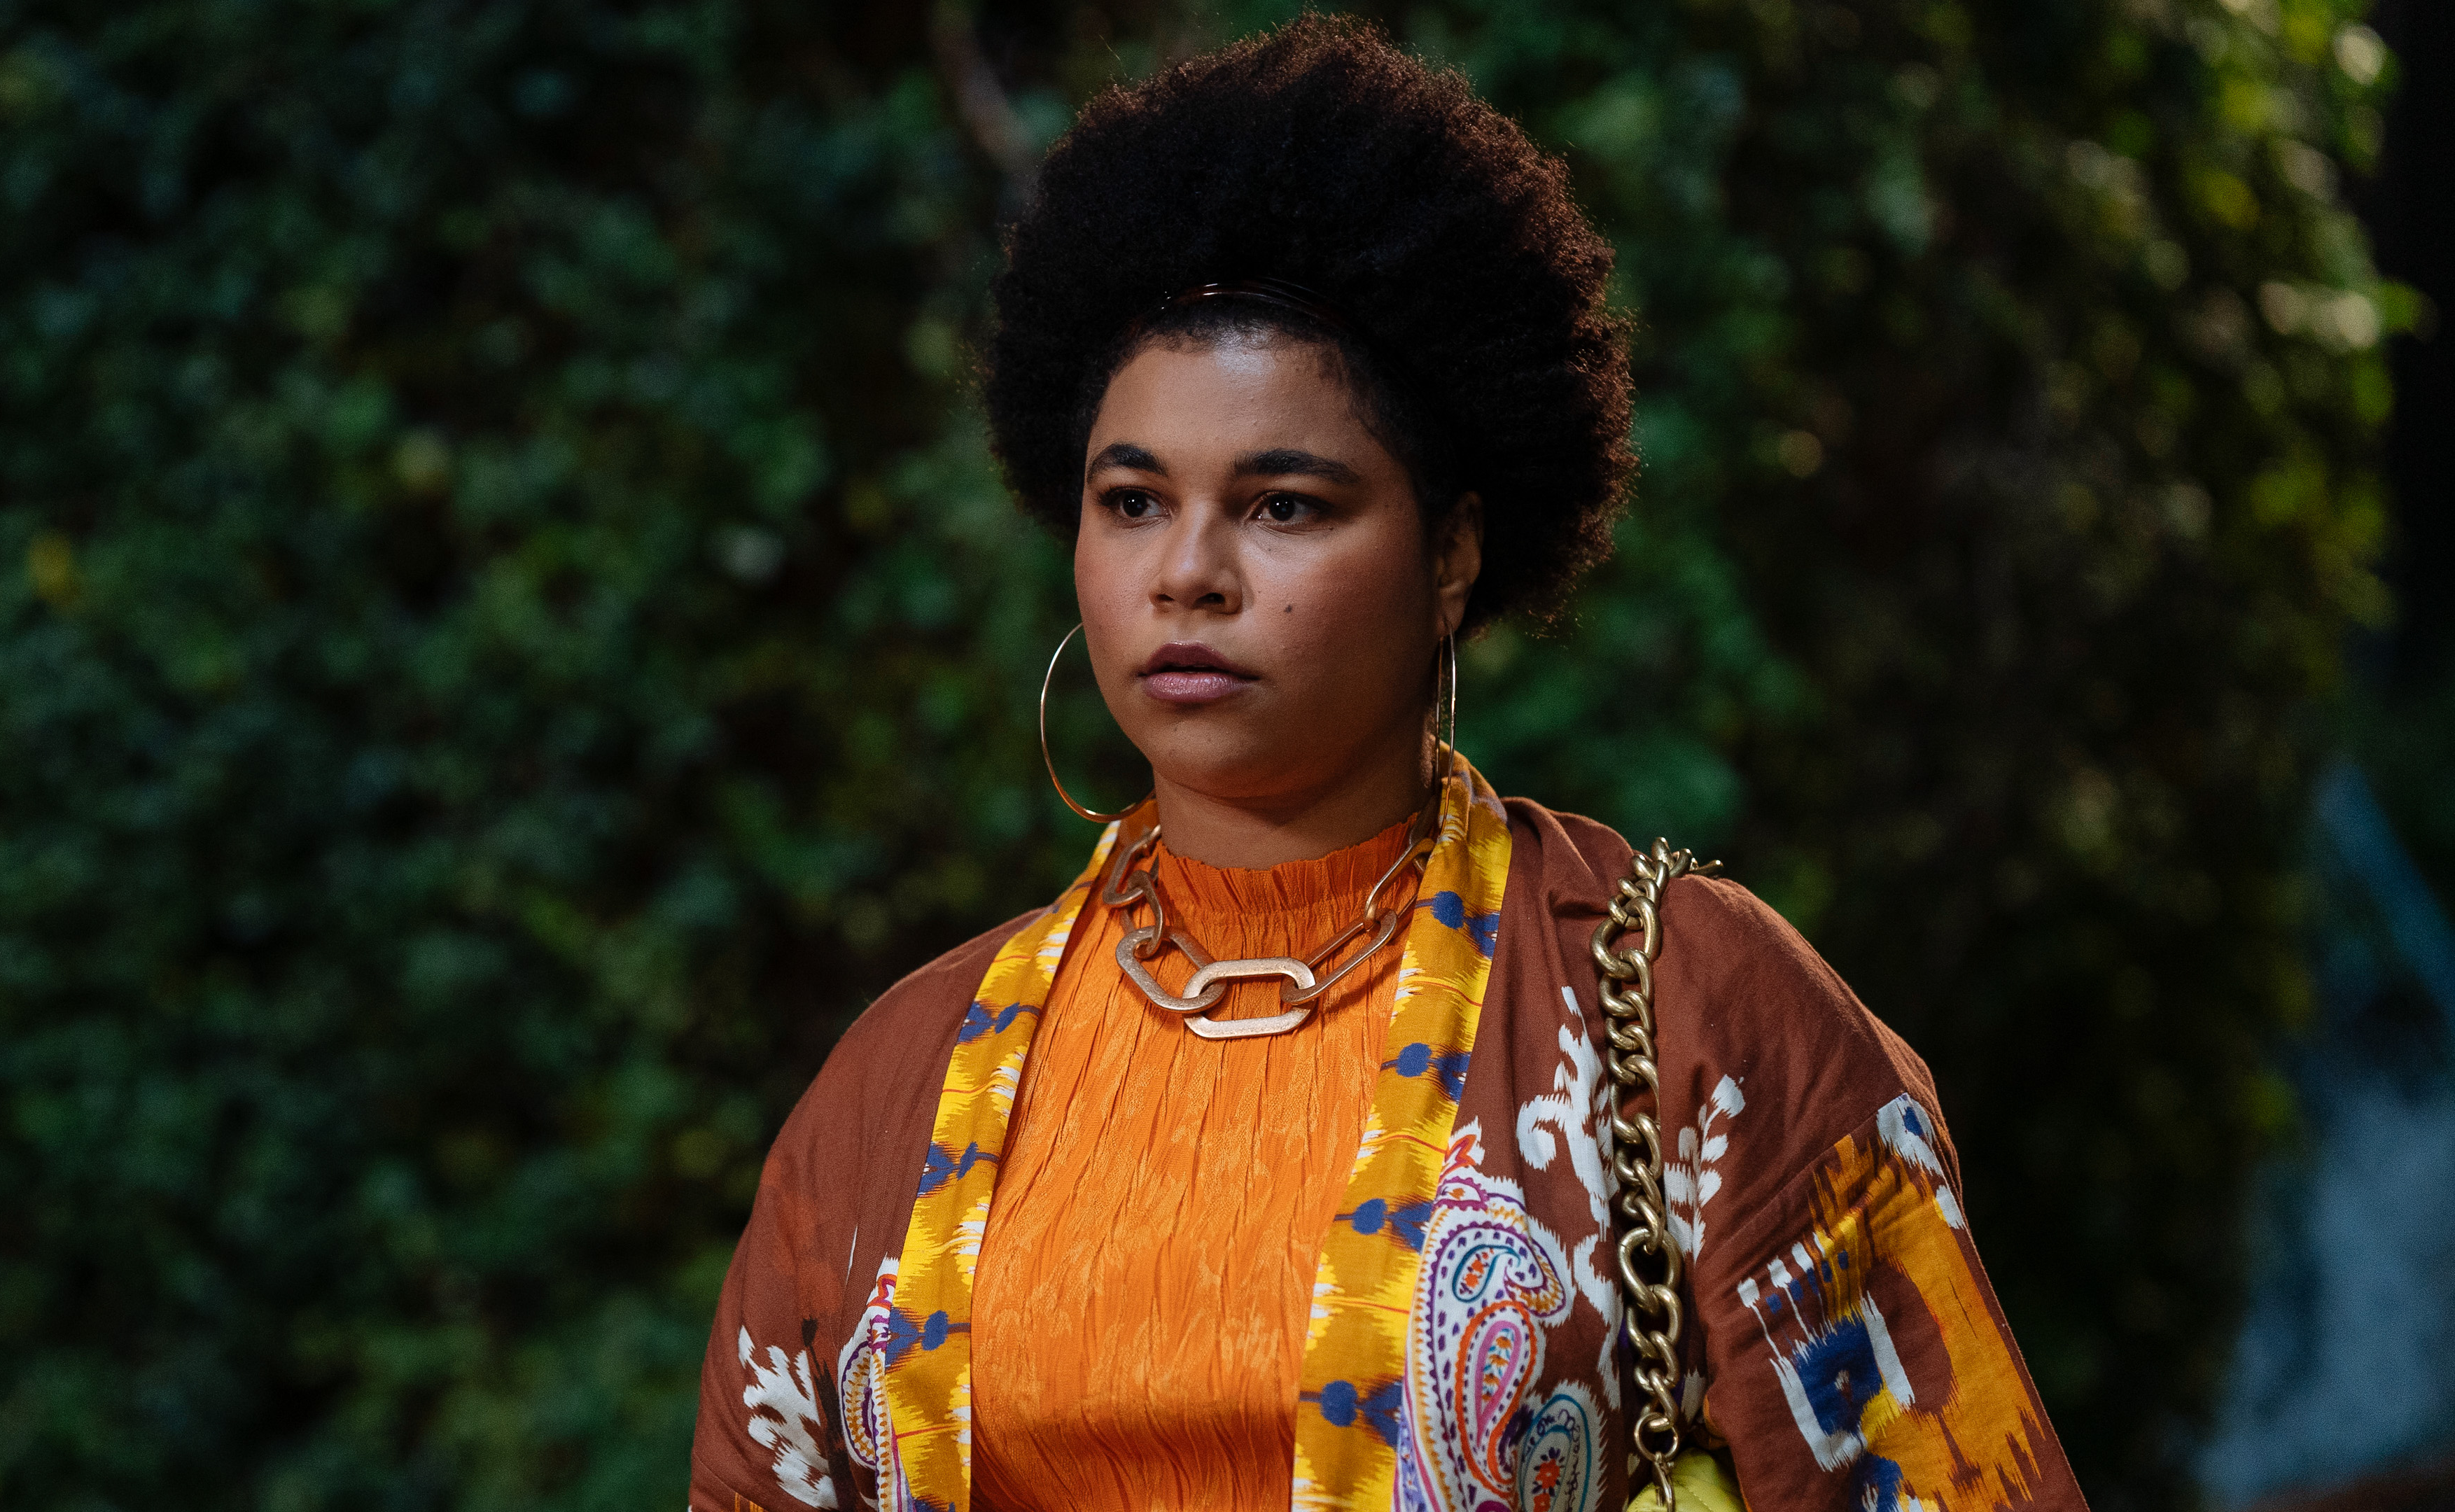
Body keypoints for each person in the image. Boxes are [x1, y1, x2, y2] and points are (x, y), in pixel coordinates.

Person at [690, 18, 2084, 1512]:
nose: (1188, 573)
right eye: (1133, 500)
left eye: (1284, 506)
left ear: (1454, 554)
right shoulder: (896, 1086)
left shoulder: (1684, 1015)